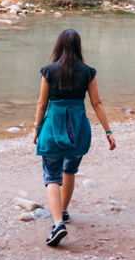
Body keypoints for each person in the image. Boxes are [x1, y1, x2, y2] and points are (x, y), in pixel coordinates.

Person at [33, 29, 116, 246]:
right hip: (78, 128)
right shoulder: (88, 72)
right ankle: (64, 211)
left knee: (52, 176)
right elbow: (97, 103)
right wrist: (108, 132)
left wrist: (36, 128)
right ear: (79, 46)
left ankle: (58, 222)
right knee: (69, 169)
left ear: (58, 46)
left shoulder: (49, 71)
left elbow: (42, 103)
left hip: (53, 126)